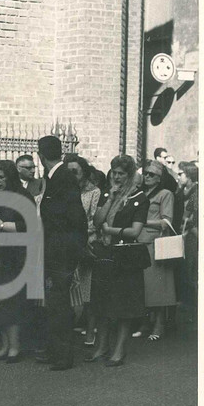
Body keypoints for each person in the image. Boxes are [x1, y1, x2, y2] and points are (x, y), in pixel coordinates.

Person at [87, 155, 149, 367]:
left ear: (130, 175)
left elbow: (135, 230)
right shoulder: (107, 193)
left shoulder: (139, 197)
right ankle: (102, 347)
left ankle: (119, 350)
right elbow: (96, 220)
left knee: (124, 306)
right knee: (102, 303)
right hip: (106, 253)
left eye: (121, 174)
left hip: (125, 257)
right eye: (114, 173)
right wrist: (111, 199)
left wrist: (110, 230)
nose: (116, 177)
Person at [36, 136, 87, 371]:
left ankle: (63, 355)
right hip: (54, 249)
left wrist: (73, 252)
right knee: (53, 302)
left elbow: (75, 218)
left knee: (58, 303)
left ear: (40, 155)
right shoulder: (55, 177)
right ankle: (55, 350)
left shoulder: (62, 178)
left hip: (61, 251)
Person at [0, 161, 35, 363]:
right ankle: (4, 344)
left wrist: (3, 226)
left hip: (14, 256)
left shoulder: (22, 196)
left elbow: (30, 224)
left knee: (11, 303)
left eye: (2, 177)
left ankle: (15, 346)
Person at [64, 154, 101, 345]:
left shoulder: (93, 193)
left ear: (84, 173)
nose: (71, 175)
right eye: (68, 171)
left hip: (86, 243)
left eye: (75, 171)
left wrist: (78, 235)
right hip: (66, 245)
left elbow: (94, 220)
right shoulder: (63, 191)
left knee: (87, 292)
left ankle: (90, 331)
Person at [137, 160, 177, 341]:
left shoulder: (165, 194)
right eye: (145, 173)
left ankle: (159, 324)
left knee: (158, 287)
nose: (147, 177)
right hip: (139, 241)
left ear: (160, 178)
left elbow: (166, 221)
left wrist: (141, 222)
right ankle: (146, 323)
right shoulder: (142, 193)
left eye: (151, 174)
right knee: (144, 287)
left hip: (155, 243)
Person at [179, 161, 200, 327]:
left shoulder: (198, 192)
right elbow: (186, 215)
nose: (179, 176)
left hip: (197, 235)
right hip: (192, 235)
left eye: (182, 174)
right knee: (191, 271)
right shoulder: (186, 192)